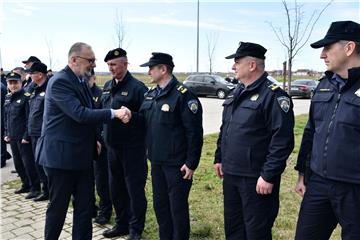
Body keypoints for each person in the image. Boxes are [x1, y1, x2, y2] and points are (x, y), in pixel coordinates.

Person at [35, 42, 128, 240]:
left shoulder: (80, 81)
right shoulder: (60, 81)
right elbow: (79, 114)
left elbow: (90, 112)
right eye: (90, 60)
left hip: (82, 156)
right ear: (74, 60)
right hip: (60, 158)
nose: (93, 65)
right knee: (58, 208)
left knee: (85, 208)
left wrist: (95, 139)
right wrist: (114, 113)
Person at [214, 42, 294, 240]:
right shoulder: (236, 92)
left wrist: (268, 175)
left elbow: (282, 141)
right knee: (233, 228)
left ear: (251, 65)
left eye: (237, 62)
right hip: (231, 174)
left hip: (256, 179)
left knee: (256, 231)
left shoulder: (274, 96)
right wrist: (219, 157)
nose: (233, 67)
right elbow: (226, 128)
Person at [123, 52, 203, 240]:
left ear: (163, 69)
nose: (149, 72)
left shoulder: (183, 95)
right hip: (157, 162)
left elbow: (194, 133)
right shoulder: (152, 95)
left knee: (177, 209)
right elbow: (145, 120)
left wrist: (191, 163)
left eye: (151, 68)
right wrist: (131, 116)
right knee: (161, 207)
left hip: (177, 165)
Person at [294, 20, 360, 240]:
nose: (322, 54)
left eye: (328, 47)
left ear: (349, 48)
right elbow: (311, 131)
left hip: (354, 189)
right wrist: (303, 173)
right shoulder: (324, 85)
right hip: (319, 184)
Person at [101, 48, 148, 240]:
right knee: (116, 188)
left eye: (114, 64)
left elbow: (147, 119)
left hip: (132, 149)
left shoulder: (138, 88)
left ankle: (135, 229)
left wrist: (132, 117)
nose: (111, 68)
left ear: (125, 64)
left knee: (134, 190)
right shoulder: (106, 86)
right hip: (112, 148)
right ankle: (121, 224)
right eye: (109, 65)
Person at [3, 72, 41, 198]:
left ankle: (35, 188)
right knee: (18, 164)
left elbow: (28, 119)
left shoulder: (26, 97)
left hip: (23, 138)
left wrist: (26, 136)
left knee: (28, 164)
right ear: (7, 84)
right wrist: (6, 133)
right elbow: (6, 117)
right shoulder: (8, 97)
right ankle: (25, 185)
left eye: (15, 83)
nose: (13, 85)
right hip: (13, 136)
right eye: (10, 83)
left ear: (21, 83)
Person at [86, 69, 113, 225]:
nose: (85, 80)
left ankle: (105, 211)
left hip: (100, 144)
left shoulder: (101, 94)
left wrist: (99, 140)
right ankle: (90, 207)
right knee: (88, 180)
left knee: (102, 179)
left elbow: (103, 119)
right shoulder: (79, 93)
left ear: (94, 78)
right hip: (85, 144)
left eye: (88, 77)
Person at [27, 62, 49, 201]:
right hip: (33, 132)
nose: (29, 75)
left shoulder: (49, 90)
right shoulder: (34, 89)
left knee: (45, 165)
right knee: (37, 164)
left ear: (40, 75)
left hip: (43, 133)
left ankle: (50, 192)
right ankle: (45, 191)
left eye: (32, 73)